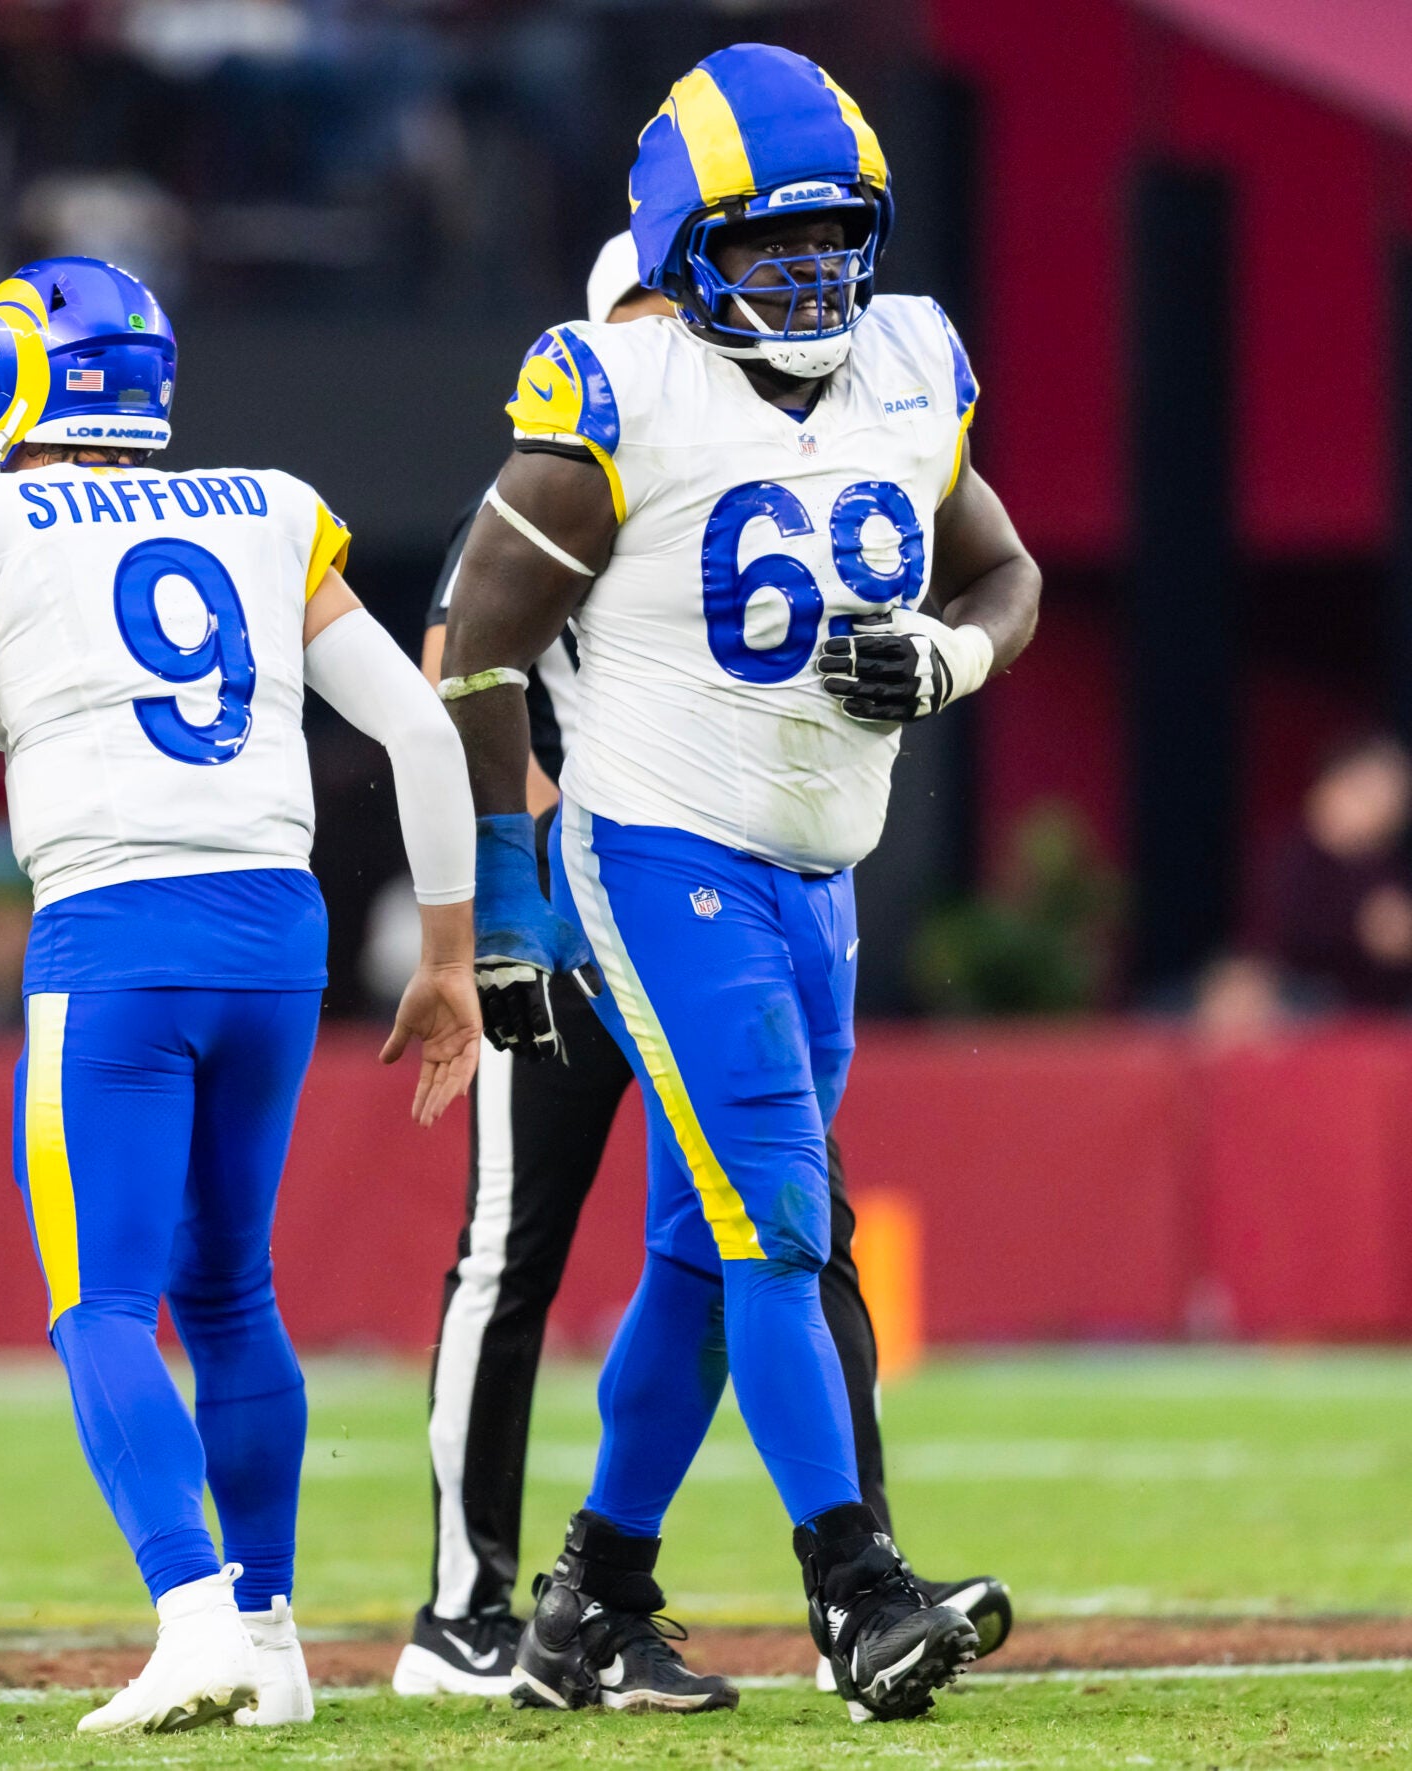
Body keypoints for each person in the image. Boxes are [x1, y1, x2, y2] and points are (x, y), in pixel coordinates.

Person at [0, 258, 483, 1734]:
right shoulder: (268, 504)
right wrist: (448, 958)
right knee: (233, 1290)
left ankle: (192, 1614)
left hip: (118, 936)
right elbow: (420, 731)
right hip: (279, 929)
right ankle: (266, 1642)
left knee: (102, 1307)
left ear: (5, 384)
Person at [437, 46, 1040, 1724]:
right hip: (655, 852)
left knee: (714, 1255)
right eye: (769, 247)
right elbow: (470, 652)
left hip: (815, 871)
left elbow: (1006, 569)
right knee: (777, 1212)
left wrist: (953, 654)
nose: (814, 277)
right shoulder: (621, 391)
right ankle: (856, 1588)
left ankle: (586, 1600)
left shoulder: (912, 368)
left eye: (838, 239)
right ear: (680, 249)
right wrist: (508, 893)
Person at [1265, 735, 1412, 1011]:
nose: (1382, 811)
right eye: (1368, 793)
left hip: (1380, 1004)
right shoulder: (1298, 855)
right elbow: (1290, 933)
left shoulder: (1386, 864)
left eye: (1394, 800)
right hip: (1308, 995)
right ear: (1328, 789)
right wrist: (1362, 928)